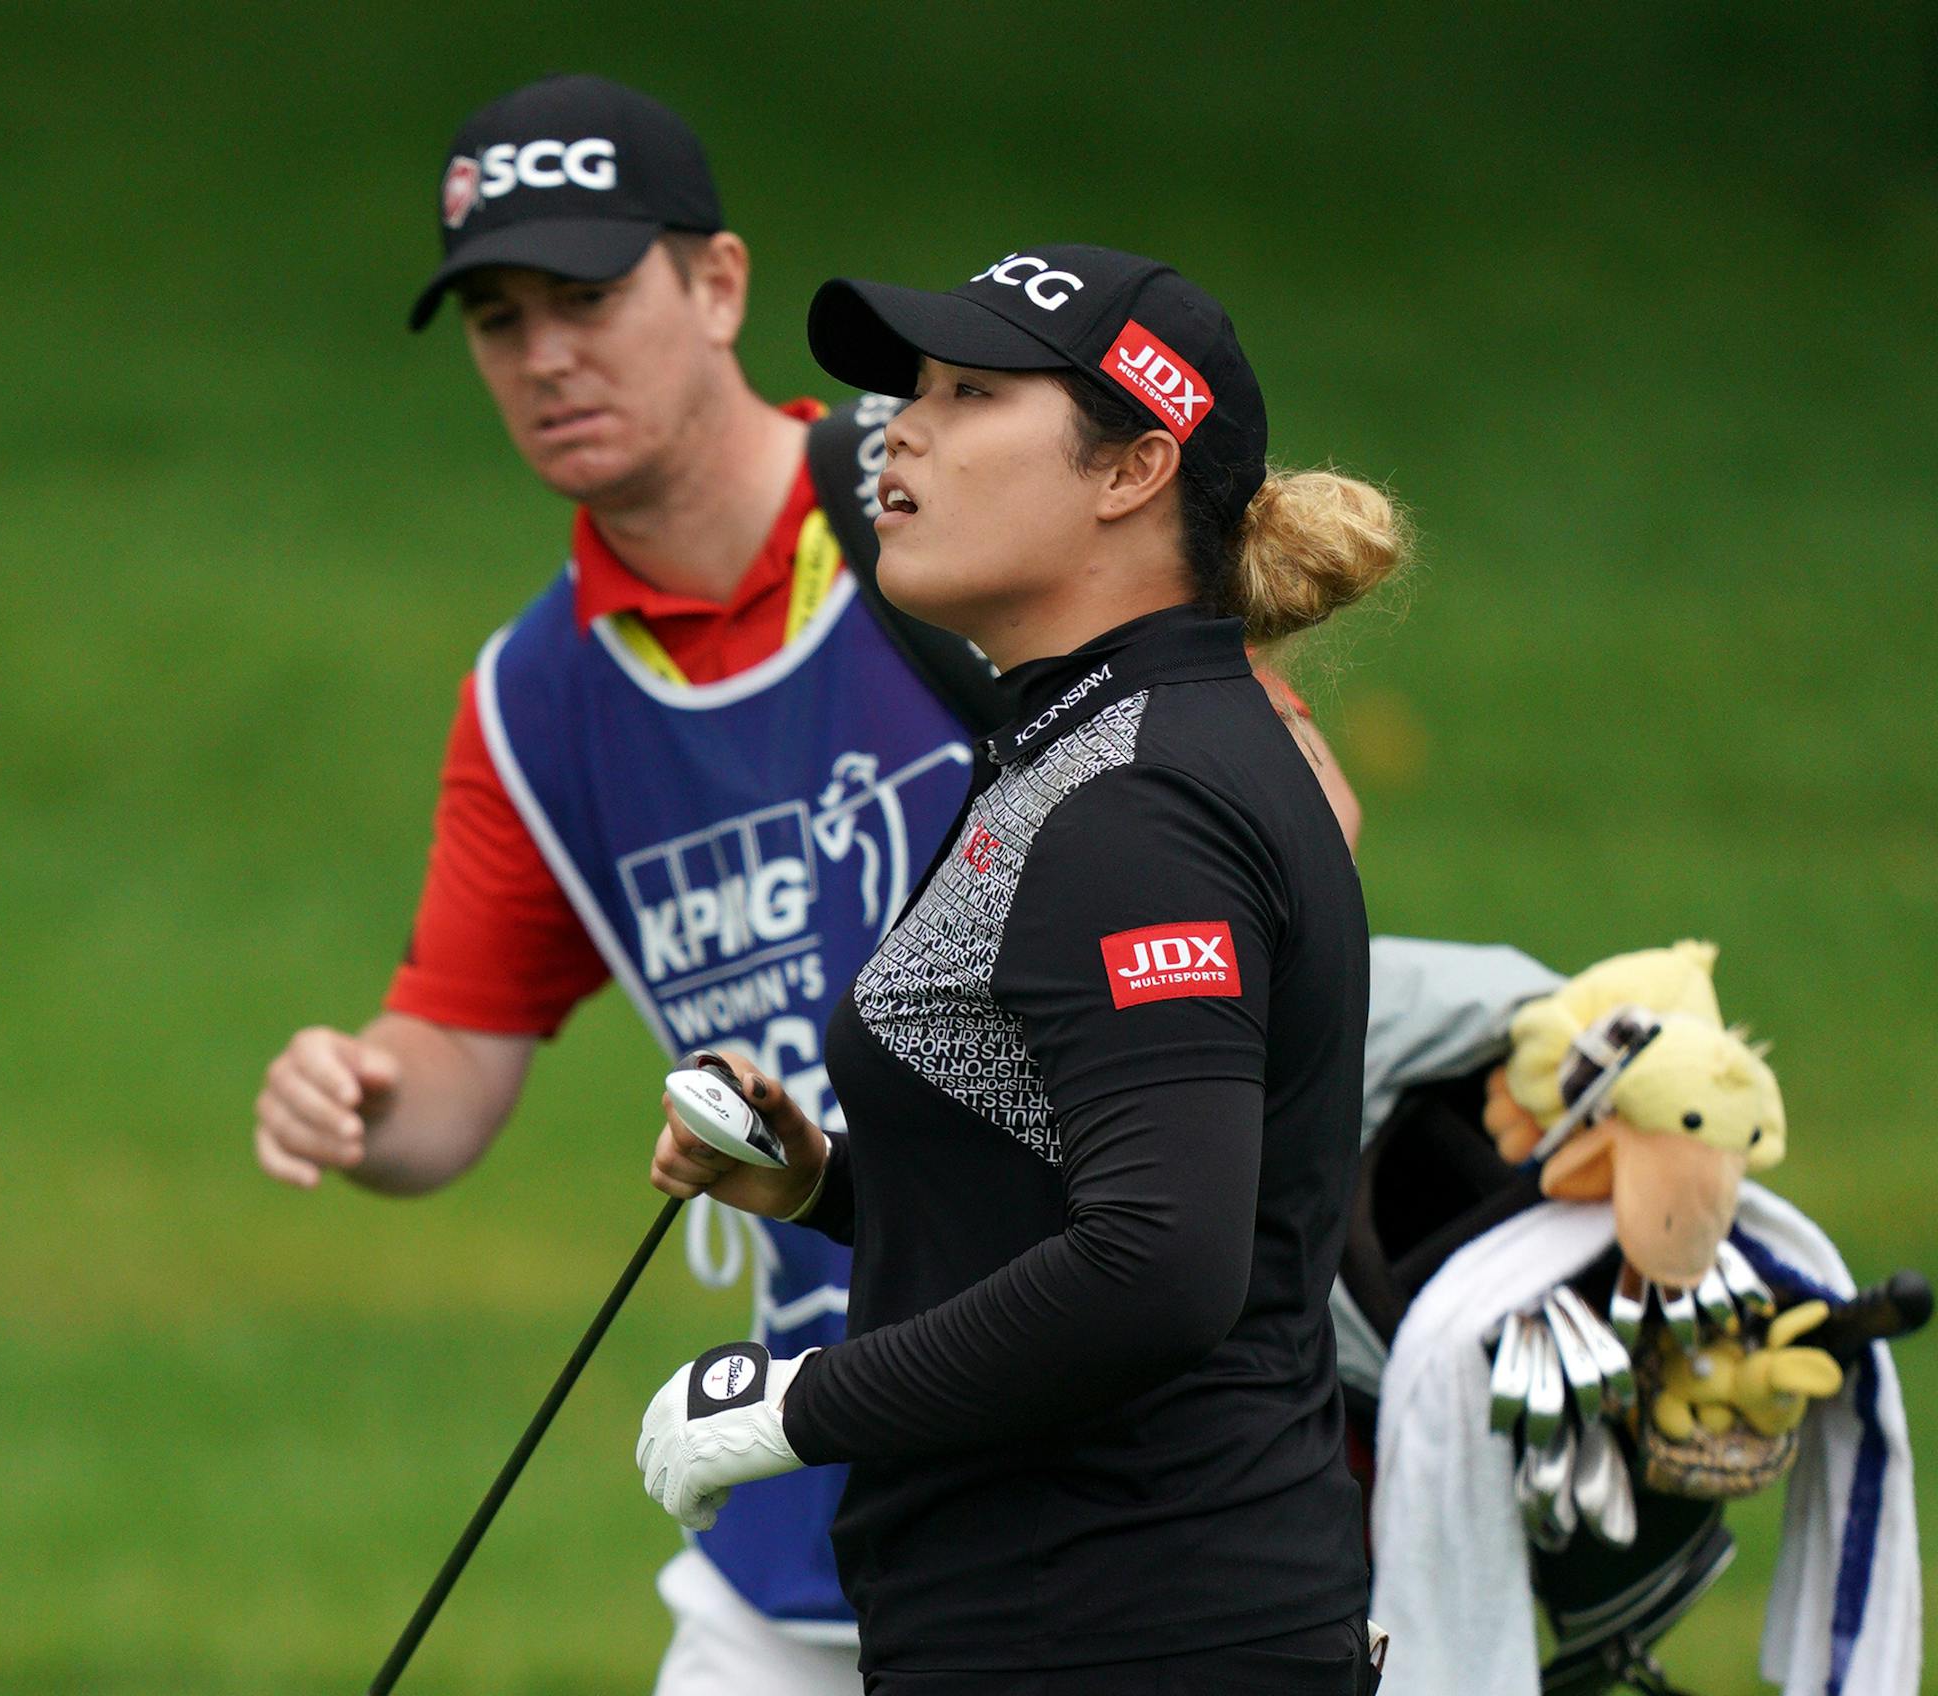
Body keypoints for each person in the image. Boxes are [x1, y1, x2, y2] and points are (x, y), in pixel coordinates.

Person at [252, 73, 1360, 1696]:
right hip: (846, 1517)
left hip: (1118, 1531)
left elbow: (1253, 904)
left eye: (586, 295)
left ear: (716, 286)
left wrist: (799, 1399)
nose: (546, 352)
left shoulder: (976, 576)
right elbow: (449, 1071)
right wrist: (362, 1094)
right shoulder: (535, 695)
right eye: (498, 318)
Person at [637, 246, 1408, 1694]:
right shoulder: (1087, 745)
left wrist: (801, 1402)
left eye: (971, 391)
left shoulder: (1142, 804)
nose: (900, 428)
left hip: (1131, 1633)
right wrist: (828, 1183)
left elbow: (1163, 1264)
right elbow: (1082, 1185)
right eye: (911, 389)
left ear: (1131, 470)